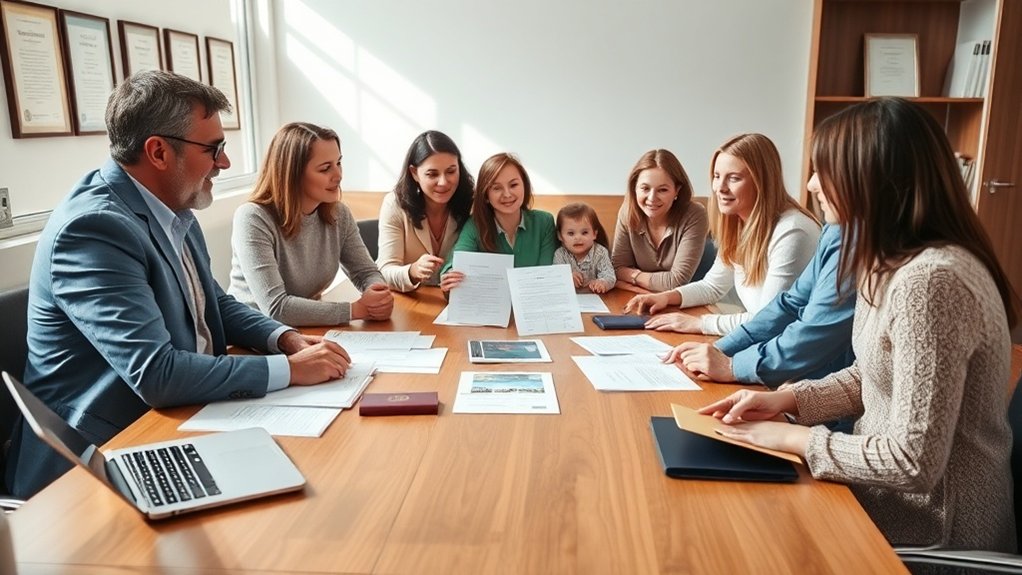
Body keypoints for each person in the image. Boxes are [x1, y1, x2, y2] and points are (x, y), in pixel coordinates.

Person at [5, 72, 351, 498]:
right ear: (158, 152)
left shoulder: (174, 207)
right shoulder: (94, 229)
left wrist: (286, 340)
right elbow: (156, 373)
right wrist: (289, 371)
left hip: (183, 417)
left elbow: (216, 304)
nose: (224, 163)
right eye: (214, 148)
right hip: (98, 461)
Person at [700, 97, 1020, 552]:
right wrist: (785, 400)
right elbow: (871, 373)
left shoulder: (931, 282)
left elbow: (911, 463)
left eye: (822, 171)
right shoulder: (883, 262)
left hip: (932, 532)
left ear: (873, 180)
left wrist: (795, 437)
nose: (810, 184)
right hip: (882, 500)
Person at [624, 134, 819, 336]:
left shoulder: (793, 232)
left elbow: (768, 320)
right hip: (764, 342)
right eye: (717, 176)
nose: (720, 188)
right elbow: (712, 286)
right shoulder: (740, 224)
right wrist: (665, 297)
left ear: (763, 181)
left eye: (733, 178)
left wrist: (700, 323)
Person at [229, 122, 393, 326]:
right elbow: (276, 308)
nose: (338, 175)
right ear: (292, 174)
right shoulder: (253, 218)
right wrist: (355, 310)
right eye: (325, 168)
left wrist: (376, 292)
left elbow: (366, 272)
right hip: (252, 335)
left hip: (304, 330)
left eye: (338, 163)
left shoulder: (339, 214)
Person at [663, 224, 855, 387]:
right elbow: (790, 304)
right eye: (717, 177)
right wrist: (721, 349)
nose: (811, 186)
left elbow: (814, 332)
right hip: (800, 382)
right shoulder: (836, 229)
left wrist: (731, 366)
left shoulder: (801, 230)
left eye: (734, 177)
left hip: (818, 385)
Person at [440, 153, 556, 291]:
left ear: (524, 185)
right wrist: (450, 277)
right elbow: (456, 263)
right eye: (496, 188)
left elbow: (548, 275)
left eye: (513, 185)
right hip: (488, 308)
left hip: (534, 306)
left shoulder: (544, 222)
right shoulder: (475, 225)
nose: (507, 194)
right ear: (486, 195)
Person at [377, 130, 474, 292]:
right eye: (432, 174)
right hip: (412, 305)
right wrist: (412, 271)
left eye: (451, 171)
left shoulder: (472, 204)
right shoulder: (395, 204)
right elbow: (383, 272)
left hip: (457, 302)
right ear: (414, 173)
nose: (443, 182)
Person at [610, 149, 708, 292]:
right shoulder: (627, 212)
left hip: (687, 303)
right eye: (645, 188)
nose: (652, 198)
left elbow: (677, 282)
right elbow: (616, 268)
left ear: (677, 191)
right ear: (635, 188)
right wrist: (648, 289)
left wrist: (633, 276)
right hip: (638, 297)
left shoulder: (695, 214)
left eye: (662, 190)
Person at [553, 202, 616, 293]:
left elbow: (610, 276)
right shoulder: (560, 254)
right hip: (569, 300)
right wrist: (567, 277)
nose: (578, 238)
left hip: (595, 299)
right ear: (560, 236)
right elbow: (555, 277)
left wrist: (602, 283)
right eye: (571, 233)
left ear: (594, 234)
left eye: (584, 233)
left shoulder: (600, 252)